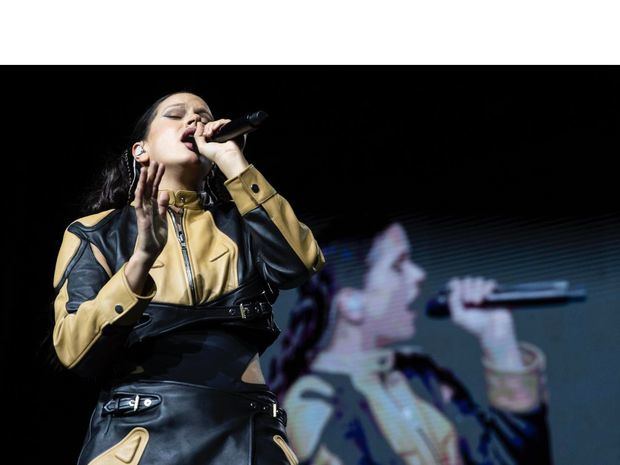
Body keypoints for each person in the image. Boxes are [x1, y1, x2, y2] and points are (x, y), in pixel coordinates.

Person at [49, 91, 325, 464]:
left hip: (248, 432)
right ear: (140, 150)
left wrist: (233, 162)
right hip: (142, 433)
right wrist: (141, 260)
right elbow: (72, 347)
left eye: (202, 115)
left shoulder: (244, 222)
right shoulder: (94, 233)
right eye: (176, 115)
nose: (194, 121)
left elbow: (301, 263)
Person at [268, 221, 552, 465]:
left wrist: (498, 339)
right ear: (352, 302)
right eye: (398, 265)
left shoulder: (423, 376)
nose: (418, 276)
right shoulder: (314, 407)